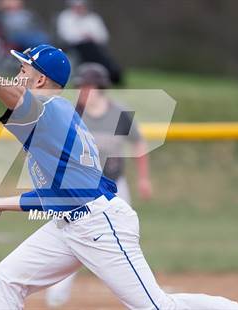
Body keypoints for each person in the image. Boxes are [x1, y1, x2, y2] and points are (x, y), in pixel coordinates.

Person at [0, 45, 238, 309]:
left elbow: (21, 101)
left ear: (40, 80)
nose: (17, 77)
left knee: (158, 307)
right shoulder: (53, 116)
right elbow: (56, 198)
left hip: (99, 224)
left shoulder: (50, 109)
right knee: (8, 277)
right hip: (68, 223)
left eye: (23, 71)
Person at [45, 62, 152, 307]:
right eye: (81, 86)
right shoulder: (71, 115)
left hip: (115, 187)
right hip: (80, 190)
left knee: (124, 241)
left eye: (87, 85)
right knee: (71, 237)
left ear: (100, 87)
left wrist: (144, 178)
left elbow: (139, 143)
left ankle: (137, 294)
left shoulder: (120, 114)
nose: (82, 90)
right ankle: (56, 297)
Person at [57, 0, 123, 85]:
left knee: (95, 51)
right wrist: (82, 36)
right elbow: (66, 35)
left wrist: (92, 37)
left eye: (81, 6)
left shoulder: (93, 18)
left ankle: (113, 73)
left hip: (95, 46)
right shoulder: (65, 17)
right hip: (75, 46)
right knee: (89, 49)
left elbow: (103, 36)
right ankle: (109, 74)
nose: (79, 9)